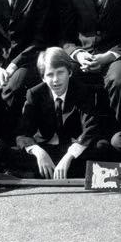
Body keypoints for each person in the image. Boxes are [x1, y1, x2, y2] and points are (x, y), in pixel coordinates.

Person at [10, 47, 114, 179]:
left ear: (69, 72)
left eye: (60, 72)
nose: (55, 80)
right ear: (43, 78)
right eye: (50, 74)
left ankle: (46, 173)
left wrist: (69, 157)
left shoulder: (83, 91)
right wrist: (38, 152)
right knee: (11, 153)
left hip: (74, 148)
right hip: (47, 147)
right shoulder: (34, 94)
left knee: (102, 147)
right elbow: (22, 133)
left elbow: (91, 128)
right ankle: (59, 171)